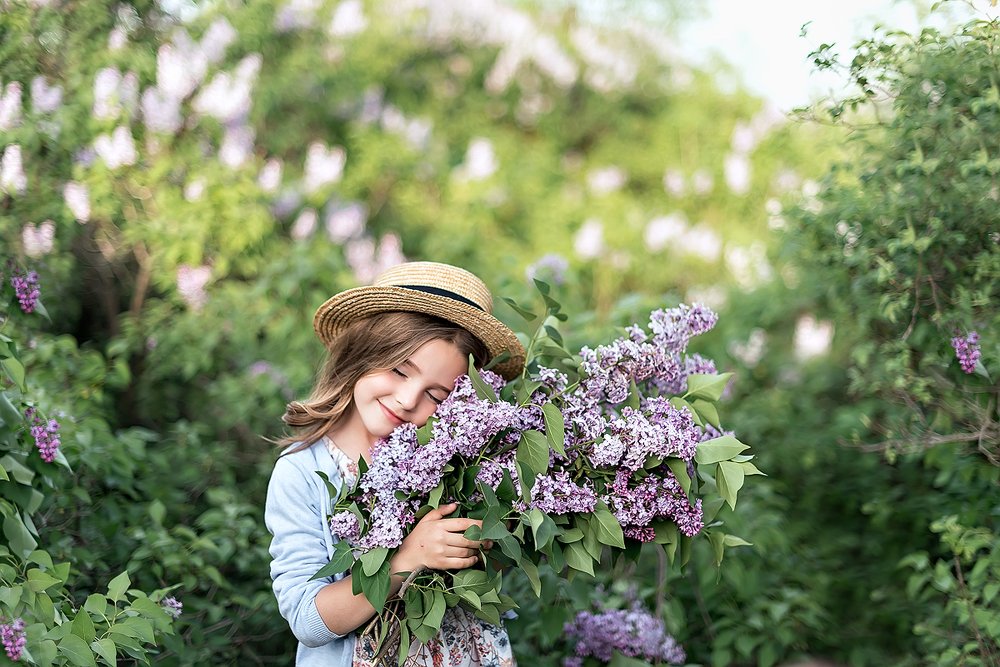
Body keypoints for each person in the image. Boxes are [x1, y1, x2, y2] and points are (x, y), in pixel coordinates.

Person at [264, 261, 525, 666]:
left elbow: (490, 562)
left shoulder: (458, 459)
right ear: (360, 354)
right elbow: (307, 619)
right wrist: (407, 560)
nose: (408, 400)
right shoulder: (302, 473)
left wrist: (484, 540)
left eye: (436, 396)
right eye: (400, 370)